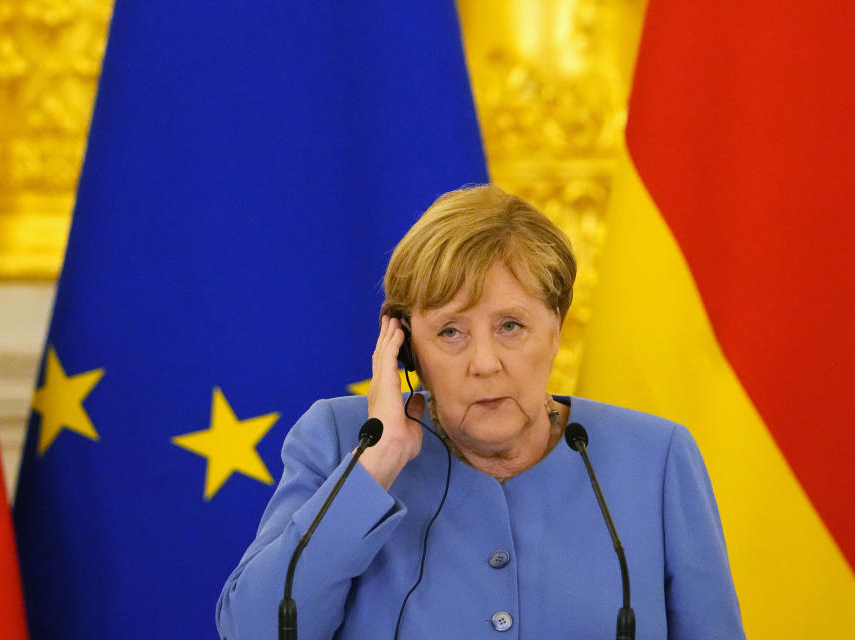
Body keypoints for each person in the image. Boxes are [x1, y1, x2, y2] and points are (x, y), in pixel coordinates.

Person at [215, 184, 744, 638]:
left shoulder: (655, 459)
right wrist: (375, 465)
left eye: (510, 326)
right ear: (405, 349)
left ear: (557, 328)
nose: (484, 363)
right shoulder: (338, 441)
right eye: (450, 332)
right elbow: (254, 630)